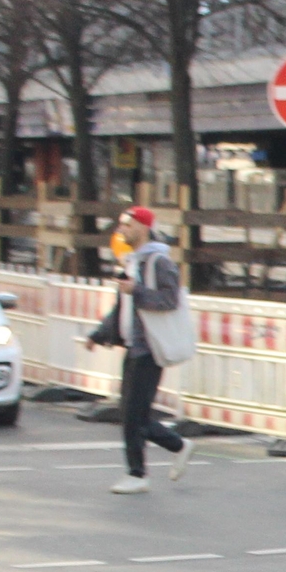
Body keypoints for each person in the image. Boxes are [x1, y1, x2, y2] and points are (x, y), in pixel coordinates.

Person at [85, 205, 192, 494]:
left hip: (149, 348)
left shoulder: (158, 262)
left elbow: (170, 300)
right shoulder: (132, 262)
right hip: (134, 347)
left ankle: (137, 474)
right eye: (121, 224)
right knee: (132, 414)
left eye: (127, 224)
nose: (121, 229)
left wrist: (137, 291)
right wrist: (98, 334)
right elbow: (122, 307)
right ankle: (177, 446)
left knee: (133, 416)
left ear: (143, 228)